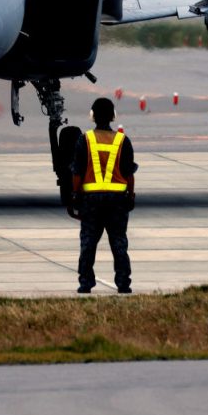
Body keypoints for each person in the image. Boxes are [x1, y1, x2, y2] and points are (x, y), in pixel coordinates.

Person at [69, 97, 137, 294]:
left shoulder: (85, 139)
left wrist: (74, 196)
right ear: (113, 116)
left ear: (92, 116)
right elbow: (129, 174)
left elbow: (77, 173)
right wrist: (130, 196)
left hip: (91, 201)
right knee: (119, 243)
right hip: (117, 201)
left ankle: (85, 282)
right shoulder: (122, 140)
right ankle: (123, 283)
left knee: (88, 243)